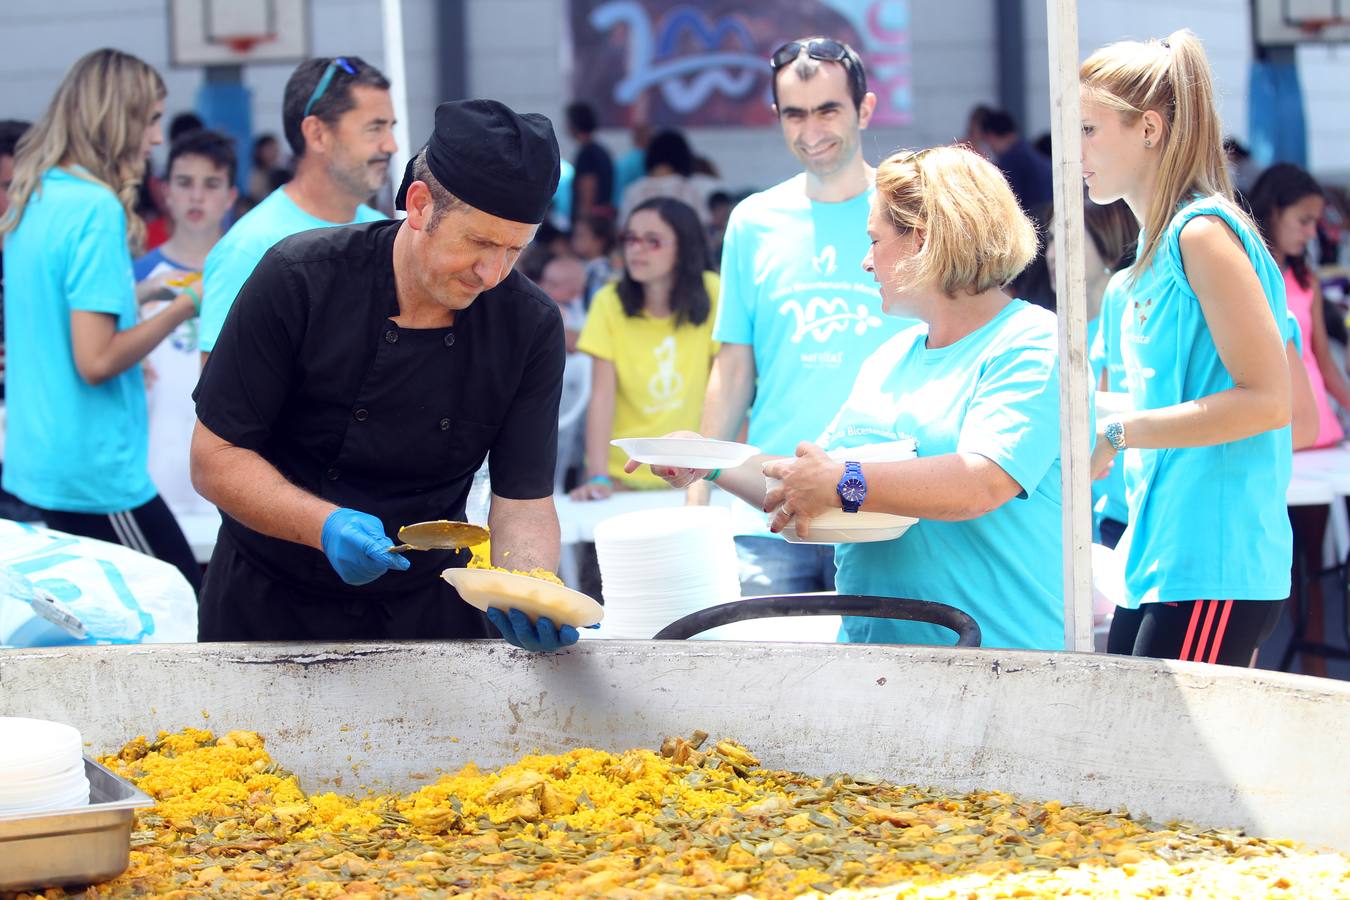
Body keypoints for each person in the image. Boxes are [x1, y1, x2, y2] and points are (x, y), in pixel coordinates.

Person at [635, 146, 1065, 651]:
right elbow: (808, 487)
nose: (865, 262)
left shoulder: (1033, 341)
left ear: (922, 240)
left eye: (874, 240)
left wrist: (846, 481)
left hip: (999, 660)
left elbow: (981, 482)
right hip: (876, 662)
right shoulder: (890, 356)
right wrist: (708, 460)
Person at [190, 99, 572, 652]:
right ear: (419, 206)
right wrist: (322, 524)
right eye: (480, 242)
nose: (493, 273)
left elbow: (523, 500)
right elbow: (214, 458)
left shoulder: (529, 325)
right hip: (268, 608)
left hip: (427, 613)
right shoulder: (299, 279)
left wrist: (529, 586)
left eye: (515, 249)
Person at [1082, 31, 1294, 666]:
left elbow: (1269, 400)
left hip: (1212, 562)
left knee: (1160, 763)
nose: (1076, 150)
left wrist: (1119, 432)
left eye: (1089, 129)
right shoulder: (1148, 258)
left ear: (1148, 128)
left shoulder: (1200, 233)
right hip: (1159, 555)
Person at [694, 36, 909, 597]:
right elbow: (734, 367)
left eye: (827, 110)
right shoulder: (752, 221)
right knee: (764, 679)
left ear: (864, 109)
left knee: (884, 677)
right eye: (795, 113)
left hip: (881, 504)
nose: (810, 129)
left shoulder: (910, 212)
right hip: (767, 504)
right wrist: (699, 487)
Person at [1, 49, 201, 590]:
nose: (157, 138)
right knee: (187, 607)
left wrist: (146, 291)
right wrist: (186, 304)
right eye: (152, 119)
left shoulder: (35, 193)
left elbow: (56, 310)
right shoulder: (95, 208)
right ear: (119, 117)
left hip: (37, 463)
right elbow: (96, 359)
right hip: (94, 472)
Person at [197, 56, 394, 364]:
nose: (391, 145)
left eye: (390, 128)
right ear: (317, 134)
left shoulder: (385, 234)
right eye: (374, 129)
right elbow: (218, 407)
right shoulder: (250, 247)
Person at [1250, 162, 1345, 676]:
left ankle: (1317, 678)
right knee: (1272, 568)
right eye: (1304, 220)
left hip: (1317, 438)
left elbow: (1325, 361)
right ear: (1275, 211)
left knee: (1314, 569)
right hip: (1274, 436)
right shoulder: (1247, 270)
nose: (1311, 231)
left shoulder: (1304, 276)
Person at [570, 198, 720, 500]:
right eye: (631, 239)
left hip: (695, 475)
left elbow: (727, 389)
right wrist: (598, 475)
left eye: (653, 241)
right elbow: (601, 397)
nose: (636, 249)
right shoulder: (608, 301)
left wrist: (721, 471)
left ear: (685, 247)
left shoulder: (714, 291)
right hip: (621, 477)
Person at [134, 129, 237, 523]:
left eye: (210, 184)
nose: (197, 196)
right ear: (165, 192)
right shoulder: (137, 278)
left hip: (227, 483)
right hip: (152, 476)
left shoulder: (256, 272)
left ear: (229, 196)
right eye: (184, 182)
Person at [1044, 197, 1135, 548]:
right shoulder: (1049, 335)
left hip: (1132, 518)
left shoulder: (1137, 325)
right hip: (1085, 527)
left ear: (1109, 243)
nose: (1052, 254)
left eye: (1067, 238)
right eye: (1051, 239)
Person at [618, 129, 713, 227]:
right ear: (683, 157)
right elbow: (703, 224)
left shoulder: (633, 191)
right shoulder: (690, 190)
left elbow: (624, 226)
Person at [980, 109, 1053, 213]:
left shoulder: (1011, 159)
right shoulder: (1027, 152)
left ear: (991, 136)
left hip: (1034, 220)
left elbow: (1008, 204)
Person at [565, 101, 614, 229]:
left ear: (574, 124)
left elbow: (587, 191)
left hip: (590, 224)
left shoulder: (586, 153)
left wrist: (582, 225)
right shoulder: (602, 151)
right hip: (602, 221)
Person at [537, 253, 587, 352]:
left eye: (553, 284)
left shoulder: (586, 308)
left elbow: (582, 345)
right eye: (544, 280)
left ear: (575, 291)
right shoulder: (535, 302)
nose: (544, 287)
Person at [571, 211, 616, 307]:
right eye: (575, 235)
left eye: (581, 236)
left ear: (599, 241)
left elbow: (592, 304)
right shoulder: (583, 266)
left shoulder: (600, 272)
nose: (575, 240)